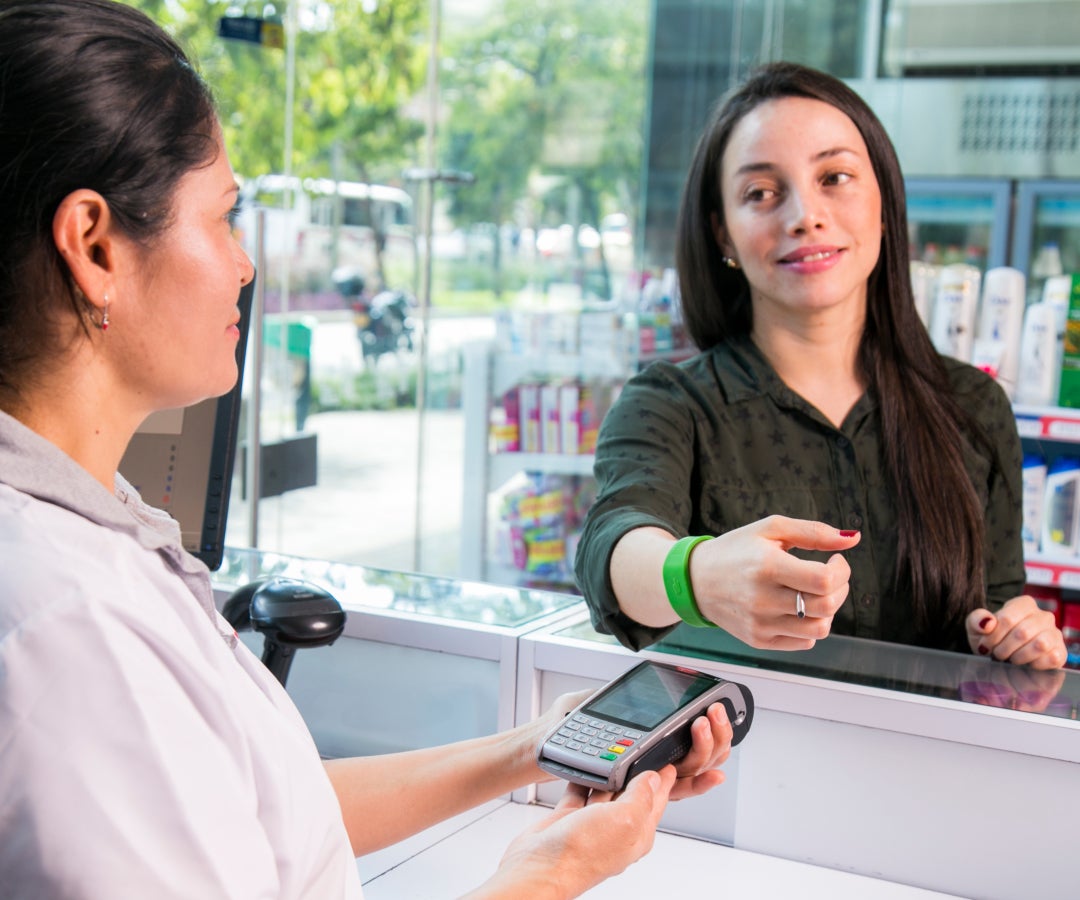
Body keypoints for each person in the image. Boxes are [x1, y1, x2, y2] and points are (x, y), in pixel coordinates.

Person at [0, 2, 734, 897]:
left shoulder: (85, 530)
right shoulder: (72, 627)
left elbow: (265, 811)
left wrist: (529, 747)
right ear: (95, 245)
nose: (244, 265)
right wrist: (543, 879)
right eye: (225, 217)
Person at [574, 61, 1067, 671]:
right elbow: (611, 552)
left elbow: (998, 599)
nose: (804, 214)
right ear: (722, 234)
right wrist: (698, 575)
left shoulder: (972, 406)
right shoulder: (671, 404)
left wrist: (1011, 632)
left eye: (834, 177)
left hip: (932, 761)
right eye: (761, 193)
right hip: (731, 762)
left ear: (883, 202)